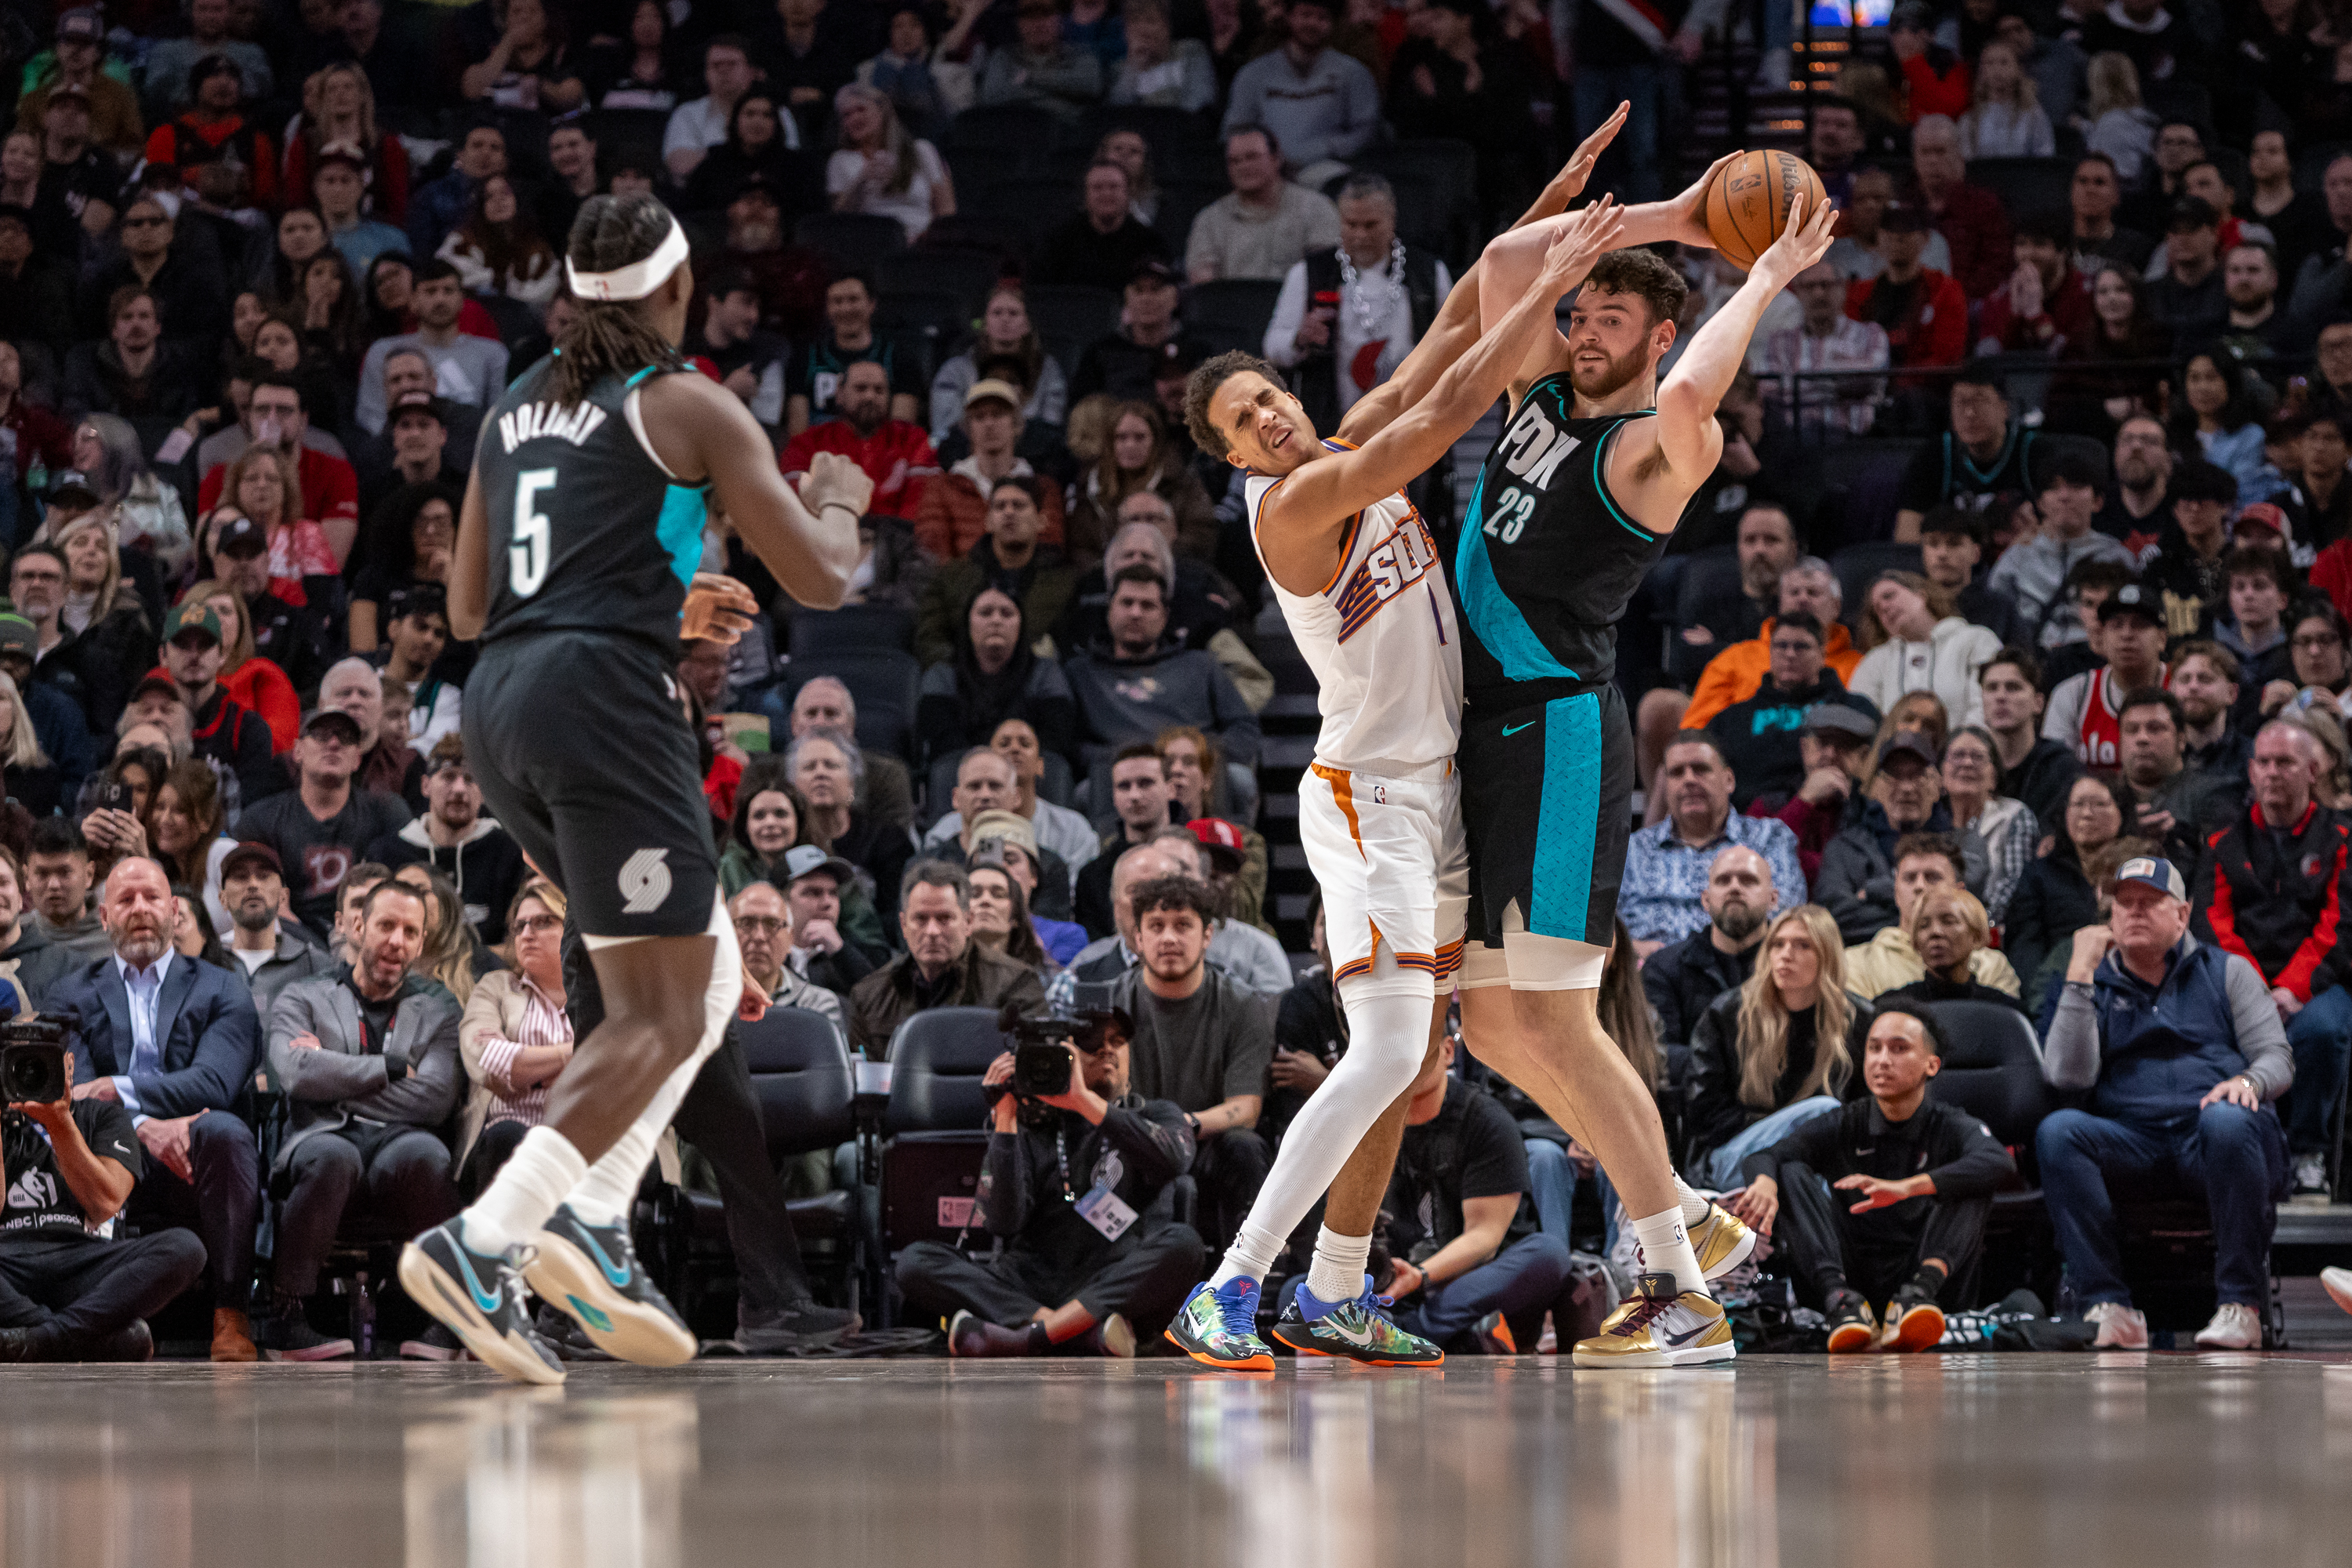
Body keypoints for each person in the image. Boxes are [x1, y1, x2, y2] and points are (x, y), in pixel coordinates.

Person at [390, 190, 871, 1384]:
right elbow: (816, 579)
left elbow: (462, 610)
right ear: (679, 284)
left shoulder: (511, 408)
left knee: (703, 983)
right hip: (604, 706)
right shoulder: (687, 402)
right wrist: (845, 502)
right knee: (662, 1011)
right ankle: (489, 1237)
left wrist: (644, 602)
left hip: (500, 704)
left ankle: (597, 1221)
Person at [2039, 855, 2292, 1352]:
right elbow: (2068, 1076)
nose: (2134, 912)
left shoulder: (2228, 971)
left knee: (2230, 1119)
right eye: (2124, 903)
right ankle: (2109, 1306)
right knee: (2058, 1131)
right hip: (2132, 1141)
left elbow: (2277, 1057)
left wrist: (2249, 1081)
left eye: (2150, 903)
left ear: (2183, 913)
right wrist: (2079, 974)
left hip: (2213, 1134)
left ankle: (2241, 1306)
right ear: (2108, 916)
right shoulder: (2091, 981)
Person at [48, 855, 262, 1361]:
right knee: (59, 1130)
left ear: (174, 910)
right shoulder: (69, 993)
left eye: (152, 898)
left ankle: (231, 1313)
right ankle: (85, 1317)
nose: (140, 908)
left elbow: (214, 1081)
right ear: (104, 918)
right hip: (108, 1152)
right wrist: (143, 1128)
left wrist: (114, 1092)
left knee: (228, 1132)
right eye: (126, 899)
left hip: (196, 1148)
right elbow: (70, 1098)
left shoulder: (222, 985)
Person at [895, 1004, 1201, 1358]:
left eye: (1118, 1041)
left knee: (1185, 1244)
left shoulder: (1155, 1114)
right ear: (1062, 1054)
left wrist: (1083, 1101)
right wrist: (1006, 1119)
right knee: (916, 1261)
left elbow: (1175, 1159)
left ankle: (1026, 1338)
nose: (1107, 1049)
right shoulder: (1028, 1127)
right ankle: (1072, 1331)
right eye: (1090, 1042)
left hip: (1109, 1276)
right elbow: (1002, 1222)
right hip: (1029, 1282)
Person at [1725, 1000, 2014, 1352]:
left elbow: (1998, 1162)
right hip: (1851, 1274)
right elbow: (1766, 1155)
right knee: (1787, 1170)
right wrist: (1765, 1183)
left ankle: (1916, 1298)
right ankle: (1841, 1302)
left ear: (1932, 1065)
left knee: (1974, 1180)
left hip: (1924, 1275)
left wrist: (1906, 1188)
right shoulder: (1847, 1121)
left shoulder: (1950, 1124)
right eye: (1874, 1048)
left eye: (1899, 1048)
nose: (1882, 1060)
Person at [266, 877, 461, 1361]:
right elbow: (292, 1072)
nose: (398, 941)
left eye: (411, 932)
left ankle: (450, 1317)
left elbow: (435, 1099)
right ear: (358, 926)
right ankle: (289, 1316)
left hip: (402, 1139)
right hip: (322, 1134)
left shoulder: (439, 1006)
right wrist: (391, 1069)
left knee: (429, 1154)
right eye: (386, 925)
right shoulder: (302, 995)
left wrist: (332, 1081)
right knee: (332, 1157)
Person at [2190, 722, 2352, 1202]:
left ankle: (2308, 1154)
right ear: (2250, 771)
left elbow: (2340, 925)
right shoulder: (2224, 843)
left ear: (2314, 770)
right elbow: (2213, 925)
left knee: (2322, 1032)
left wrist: (2292, 989)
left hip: (2319, 985)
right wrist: (2258, 992)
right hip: (2242, 986)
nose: (2272, 772)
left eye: (2285, 762)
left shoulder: (2342, 837)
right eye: (2263, 762)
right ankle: (2244, 1152)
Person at [0, 1016, 209, 1363]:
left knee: (186, 1247)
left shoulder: (104, 1117)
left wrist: (59, 1121)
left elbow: (105, 1203)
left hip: (86, 1261)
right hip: (10, 1263)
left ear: (69, 1064)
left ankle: (35, 1341)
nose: (30, 1072)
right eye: (17, 1061)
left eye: (41, 1060)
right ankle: (82, 1339)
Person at [1686, 905, 1873, 1189]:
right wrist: (1786, 1131)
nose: (1786, 954)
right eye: (1778, 944)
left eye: (1803, 946)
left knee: (1815, 1162)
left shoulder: (1859, 1019)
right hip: (1734, 1154)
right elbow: (1705, 1112)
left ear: (1828, 957)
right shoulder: (1727, 1013)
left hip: (1813, 1158)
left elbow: (1867, 1110)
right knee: (1823, 1111)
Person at [234, 707, 409, 939]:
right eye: (321, 735)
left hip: (369, 934)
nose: (334, 744)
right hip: (287, 939)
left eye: (345, 738)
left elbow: (406, 890)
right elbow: (245, 889)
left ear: (357, 758)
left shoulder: (387, 812)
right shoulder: (260, 819)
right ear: (297, 751)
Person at [1621, 734, 1803, 952]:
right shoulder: (1633, 851)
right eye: (1677, 773)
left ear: (1729, 780)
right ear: (1665, 786)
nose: (1688, 780)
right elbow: (1606, 932)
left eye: (1701, 769)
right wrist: (1631, 950)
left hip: (1741, 970)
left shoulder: (1769, 838)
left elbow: (1786, 916)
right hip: (1650, 975)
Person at [848, 862, 1047, 1058]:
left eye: (944, 919)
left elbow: (1039, 1065)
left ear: (968, 922)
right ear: (904, 925)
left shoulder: (1016, 984)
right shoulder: (869, 996)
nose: (932, 931)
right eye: (921, 919)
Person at [455, 880, 573, 1196]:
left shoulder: (600, 993)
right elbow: (489, 1061)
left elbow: (616, 1068)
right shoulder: (496, 988)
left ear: (573, 928)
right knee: (509, 1136)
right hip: (508, 1134)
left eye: (544, 922)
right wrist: (570, 1055)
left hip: (582, 1132)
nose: (527, 934)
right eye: (519, 926)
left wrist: (526, 1067)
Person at [1697, 613, 1876, 814]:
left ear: (1822, 654)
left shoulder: (1854, 709)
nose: (1790, 654)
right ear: (1770, 652)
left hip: (1835, 816)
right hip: (1747, 821)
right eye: (1781, 646)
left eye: (1801, 646)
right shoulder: (1733, 717)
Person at [365, 735, 524, 944]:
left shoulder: (509, 851)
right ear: (425, 786)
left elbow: (517, 941)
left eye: (470, 779)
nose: (459, 790)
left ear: (485, 790)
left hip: (489, 973)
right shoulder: (388, 853)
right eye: (448, 777)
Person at [1640, 845, 1773, 1051]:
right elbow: (1660, 1056)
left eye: (1748, 880)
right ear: (1706, 900)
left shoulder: (1796, 963)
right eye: (1723, 880)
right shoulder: (1663, 968)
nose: (1734, 887)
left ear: (1773, 899)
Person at [779, 360, 938, 520]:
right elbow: (793, 505)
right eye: (860, 389)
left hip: (898, 539)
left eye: (879, 390)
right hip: (828, 536)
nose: (870, 397)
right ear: (840, 393)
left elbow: (925, 505)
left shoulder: (913, 440)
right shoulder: (808, 443)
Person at [1184, 125, 1342, 285]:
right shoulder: (1209, 220)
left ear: (1276, 159)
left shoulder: (1316, 208)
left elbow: (1326, 273)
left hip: (1297, 306)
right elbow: (1203, 285)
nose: (1243, 166)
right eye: (1235, 161)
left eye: (1252, 157)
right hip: (1231, 308)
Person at [1848, 572, 1998, 729]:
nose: (1884, 607)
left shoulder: (1976, 639)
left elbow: (1987, 704)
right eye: (1877, 609)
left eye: (1889, 596)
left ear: (1921, 594)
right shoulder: (1875, 661)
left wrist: (1962, 746)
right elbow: (1861, 718)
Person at [927, 285, 1067, 445]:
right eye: (997, 313)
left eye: (1014, 313)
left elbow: (1051, 431)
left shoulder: (1049, 371)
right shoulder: (953, 371)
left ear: (1028, 324)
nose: (1005, 319)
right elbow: (944, 433)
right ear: (985, 323)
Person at [216, 841, 333, 1018]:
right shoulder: (207, 963)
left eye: (263, 876)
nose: (253, 884)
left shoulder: (316, 965)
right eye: (241, 877)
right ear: (222, 898)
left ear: (283, 896)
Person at [825, 82, 952, 242]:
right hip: (871, 244)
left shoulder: (922, 150)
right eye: (846, 115)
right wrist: (862, 180)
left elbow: (946, 208)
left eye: (861, 109)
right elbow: (839, 218)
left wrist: (933, 240)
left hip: (924, 243)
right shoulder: (840, 160)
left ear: (882, 110)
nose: (854, 118)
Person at [728, 880, 844, 1029]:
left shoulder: (817, 1005)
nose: (759, 936)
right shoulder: (701, 999)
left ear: (790, 938)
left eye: (772, 924)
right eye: (746, 923)